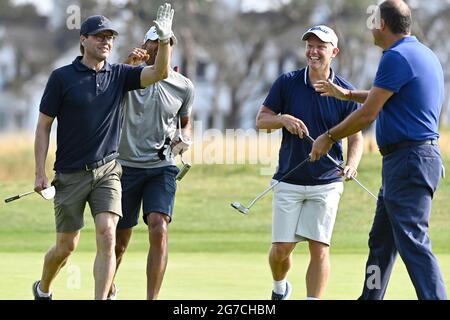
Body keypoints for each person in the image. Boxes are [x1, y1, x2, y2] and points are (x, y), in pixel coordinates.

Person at [32, 3, 175, 300]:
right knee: (66, 246)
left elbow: (160, 72)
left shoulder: (121, 75)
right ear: (83, 40)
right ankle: (43, 288)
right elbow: (44, 125)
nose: (106, 41)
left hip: (108, 170)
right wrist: (40, 172)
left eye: (110, 37)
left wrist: (163, 40)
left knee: (108, 235)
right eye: (99, 36)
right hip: (70, 174)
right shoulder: (62, 78)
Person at [310, 0, 447, 300]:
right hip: (408, 161)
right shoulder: (422, 53)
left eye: (373, 20)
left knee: (412, 242)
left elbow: (369, 113)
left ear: (382, 24)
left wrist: (329, 137)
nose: (370, 25)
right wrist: (345, 93)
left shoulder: (395, 57)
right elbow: (383, 97)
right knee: (381, 242)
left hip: (410, 160)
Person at [256, 25, 363, 300]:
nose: (313, 52)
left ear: (334, 52)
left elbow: (356, 138)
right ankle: (280, 288)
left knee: (319, 247)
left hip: (327, 181)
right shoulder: (287, 82)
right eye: (310, 46)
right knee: (281, 249)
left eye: (321, 47)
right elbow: (261, 121)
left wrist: (351, 164)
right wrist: (282, 119)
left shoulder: (344, 91)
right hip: (288, 179)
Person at [107, 26, 194, 300]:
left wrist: (185, 139)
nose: (158, 47)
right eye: (153, 42)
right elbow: (102, 95)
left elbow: (185, 124)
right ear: (144, 43)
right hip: (124, 167)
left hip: (161, 167)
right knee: (119, 243)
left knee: (159, 225)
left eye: (165, 42)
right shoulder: (126, 75)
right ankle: (107, 288)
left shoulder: (183, 85)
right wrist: (125, 66)